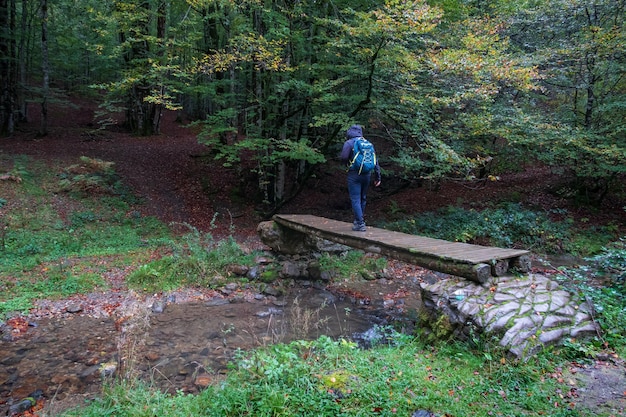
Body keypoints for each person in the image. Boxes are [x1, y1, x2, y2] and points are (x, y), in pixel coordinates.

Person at [340, 124, 381, 231]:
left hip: (354, 174)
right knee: (362, 198)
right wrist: (378, 177)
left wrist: (347, 165)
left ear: (350, 132)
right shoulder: (368, 143)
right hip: (367, 174)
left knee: (355, 199)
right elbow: (375, 161)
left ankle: (360, 223)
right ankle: (358, 221)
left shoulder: (349, 143)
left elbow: (344, 157)